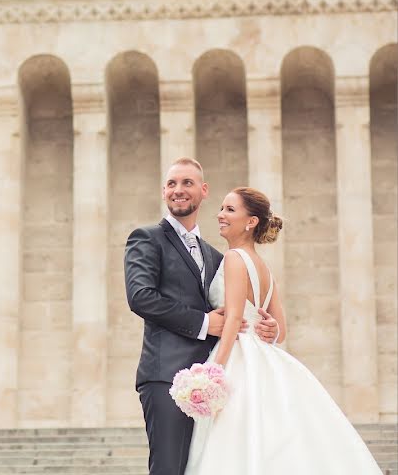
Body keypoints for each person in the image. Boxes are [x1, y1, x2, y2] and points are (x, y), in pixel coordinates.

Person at [184, 187, 382, 475]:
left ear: (250, 221)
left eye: (229, 209)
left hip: (238, 354)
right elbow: (281, 330)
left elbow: (234, 319)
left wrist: (213, 372)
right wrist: (271, 330)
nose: (220, 214)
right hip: (265, 355)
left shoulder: (234, 258)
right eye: (222, 208)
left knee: (235, 439)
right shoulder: (264, 268)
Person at [124, 158, 280, 475]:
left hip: (216, 379)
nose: (178, 190)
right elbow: (140, 297)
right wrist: (206, 323)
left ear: (203, 191)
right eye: (171, 184)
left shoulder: (216, 255)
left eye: (187, 183)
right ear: (164, 191)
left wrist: (269, 326)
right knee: (169, 468)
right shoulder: (147, 238)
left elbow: (242, 305)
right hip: (167, 376)